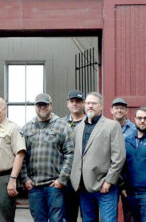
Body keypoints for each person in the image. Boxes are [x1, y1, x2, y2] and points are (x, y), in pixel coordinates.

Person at [70, 92, 126, 222]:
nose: (90, 106)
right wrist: (75, 180)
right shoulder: (78, 128)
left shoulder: (112, 126)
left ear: (101, 106)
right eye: (88, 103)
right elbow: (75, 156)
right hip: (84, 187)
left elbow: (119, 157)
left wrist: (109, 181)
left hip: (105, 186)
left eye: (94, 103)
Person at [20, 93, 74, 222]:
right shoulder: (26, 128)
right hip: (34, 187)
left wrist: (62, 179)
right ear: (35, 106)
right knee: (39, 219)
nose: (42, 107)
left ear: (51, 105)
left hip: (54, 187)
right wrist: (25, 179)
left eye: (45, 104)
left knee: (57, 220)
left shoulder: (63, 126)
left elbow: (70, 154)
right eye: (39, 105)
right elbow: (21, 156)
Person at [111, 97, 136, 222]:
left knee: (130, 213)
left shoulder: (134, 130)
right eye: (116, 108)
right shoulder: (107, 128)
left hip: (129, 179)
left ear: (126, 111)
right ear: (111, 110)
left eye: (122, 108)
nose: (119, 110)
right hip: (111, 177)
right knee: (110, 213)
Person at [63, 90, 86, 222]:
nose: (75, 104)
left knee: (88, 216)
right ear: (67, 104)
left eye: (78, 101)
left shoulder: (91, 123)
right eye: (72, 102)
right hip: (67, 177)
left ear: (83, 103)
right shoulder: (61, 123)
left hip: (85, 178)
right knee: (68, 215)